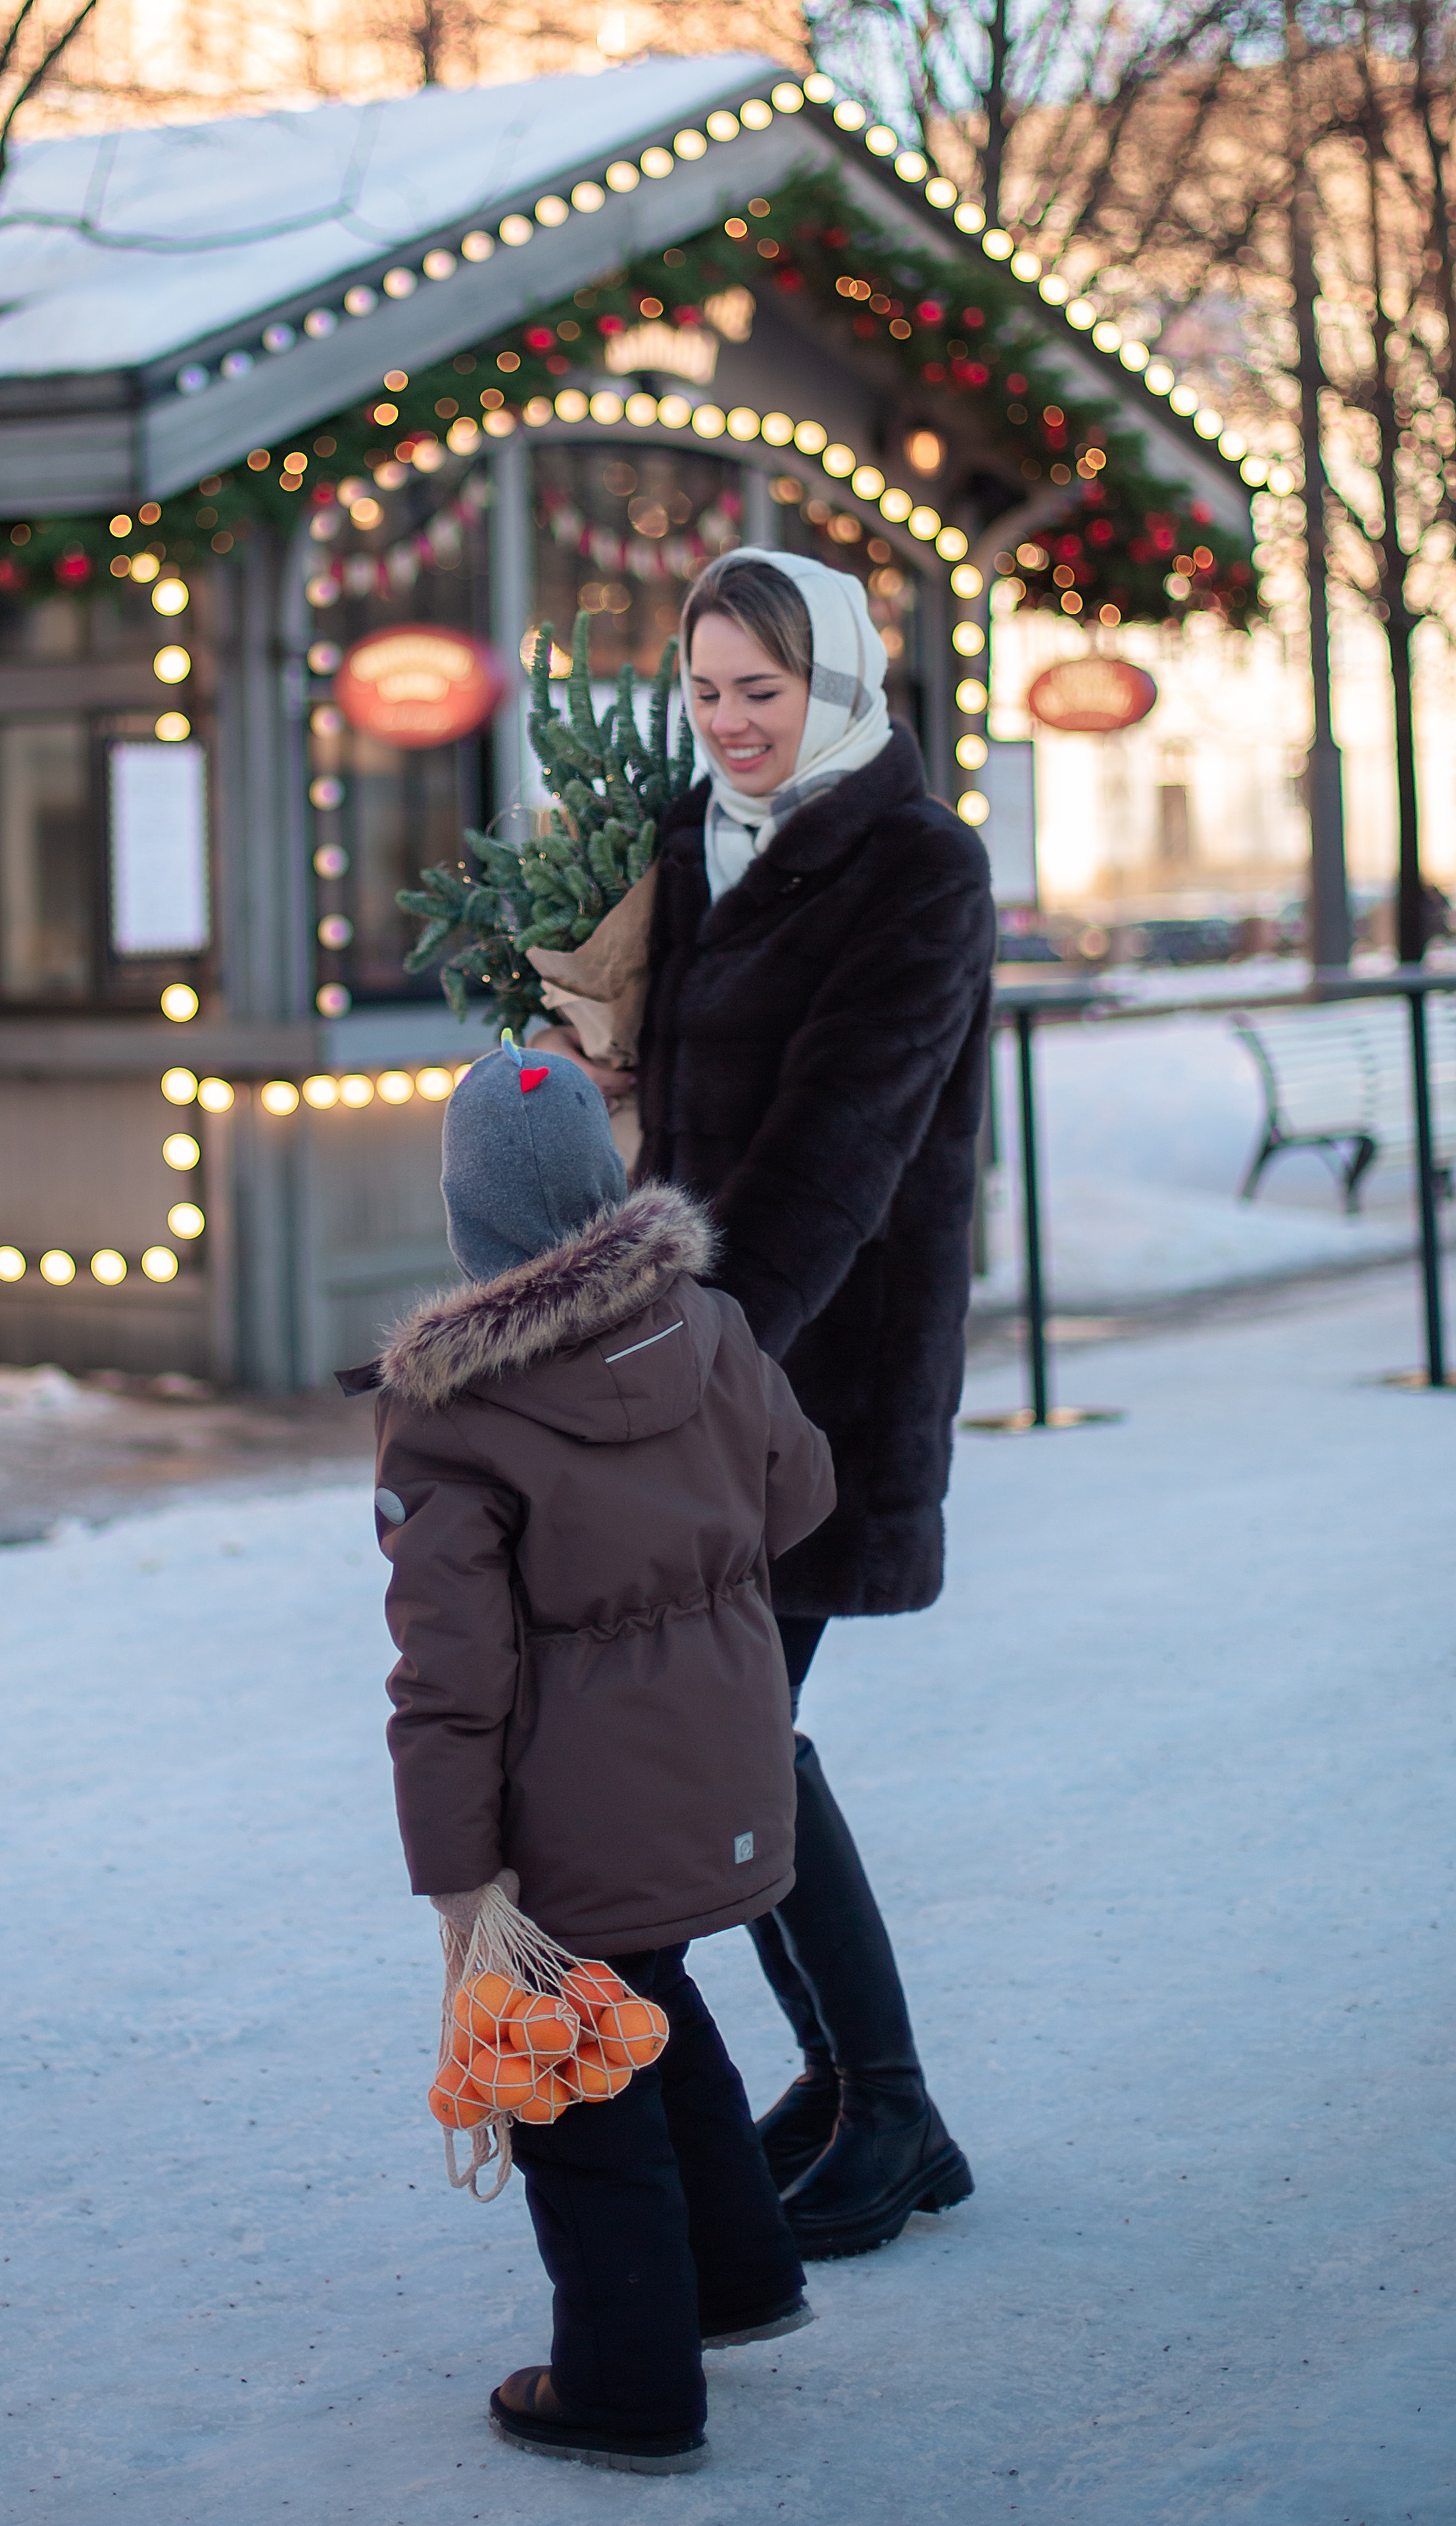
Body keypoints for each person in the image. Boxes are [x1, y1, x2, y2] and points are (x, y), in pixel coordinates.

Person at [535, 549, 996, 2262]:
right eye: (709, 690)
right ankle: (866, 2087)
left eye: (764, 693)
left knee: (741, 1731)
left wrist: (695, 1370)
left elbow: (840, 1155)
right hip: (706, 1340)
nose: (730, 726)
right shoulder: (690, 842)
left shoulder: (918, 868)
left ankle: (887, 2106)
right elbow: (683, 1120)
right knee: (740, 1729)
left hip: (822, 1372)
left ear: (841, 686)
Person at [354, 1039, 837, 2474]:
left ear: (470, 1221)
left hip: (572, 1814)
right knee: (647, 1989)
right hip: (724, 1765)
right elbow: (799, 1494)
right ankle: (739, 2276)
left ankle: (628, 2386)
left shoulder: (453, 1417)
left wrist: (457, 1876)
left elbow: (449, 1680)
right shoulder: (706, 1323)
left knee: (567, 2069)